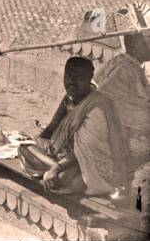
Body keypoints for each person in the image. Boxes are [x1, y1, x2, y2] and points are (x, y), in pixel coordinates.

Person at [23, 56, 132, 197]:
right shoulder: (69, 98)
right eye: (67, 76)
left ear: (89, 79)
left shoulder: (98, 106)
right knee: (24, 147)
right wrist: (40, 143)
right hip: (66, 157)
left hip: (90, 163)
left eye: (78, 77)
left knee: (60, 180)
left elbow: (90, 150)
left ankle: (54, 170)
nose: (71, 82)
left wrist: (58, 166)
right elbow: (52, 128)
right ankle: (53, 169)